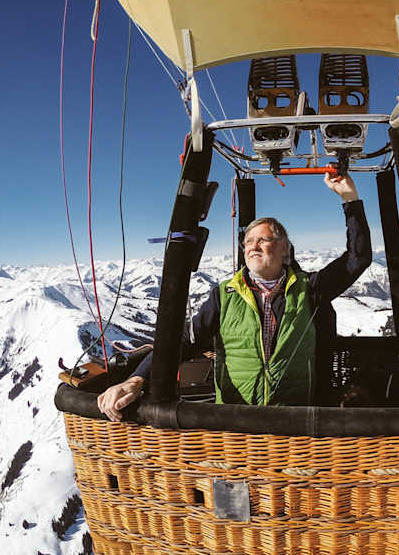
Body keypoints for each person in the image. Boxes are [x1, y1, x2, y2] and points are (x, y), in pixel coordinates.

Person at [97, 173, 371, 420]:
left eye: (263, 240)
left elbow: (358, 258)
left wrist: (349, 198)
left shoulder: (310, 288)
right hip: (234, 421)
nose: (253, 246)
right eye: (248, 242)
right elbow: (181, 341)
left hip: (296, 420)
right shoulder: (224, 296)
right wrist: (136, 379)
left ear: (285, 248)